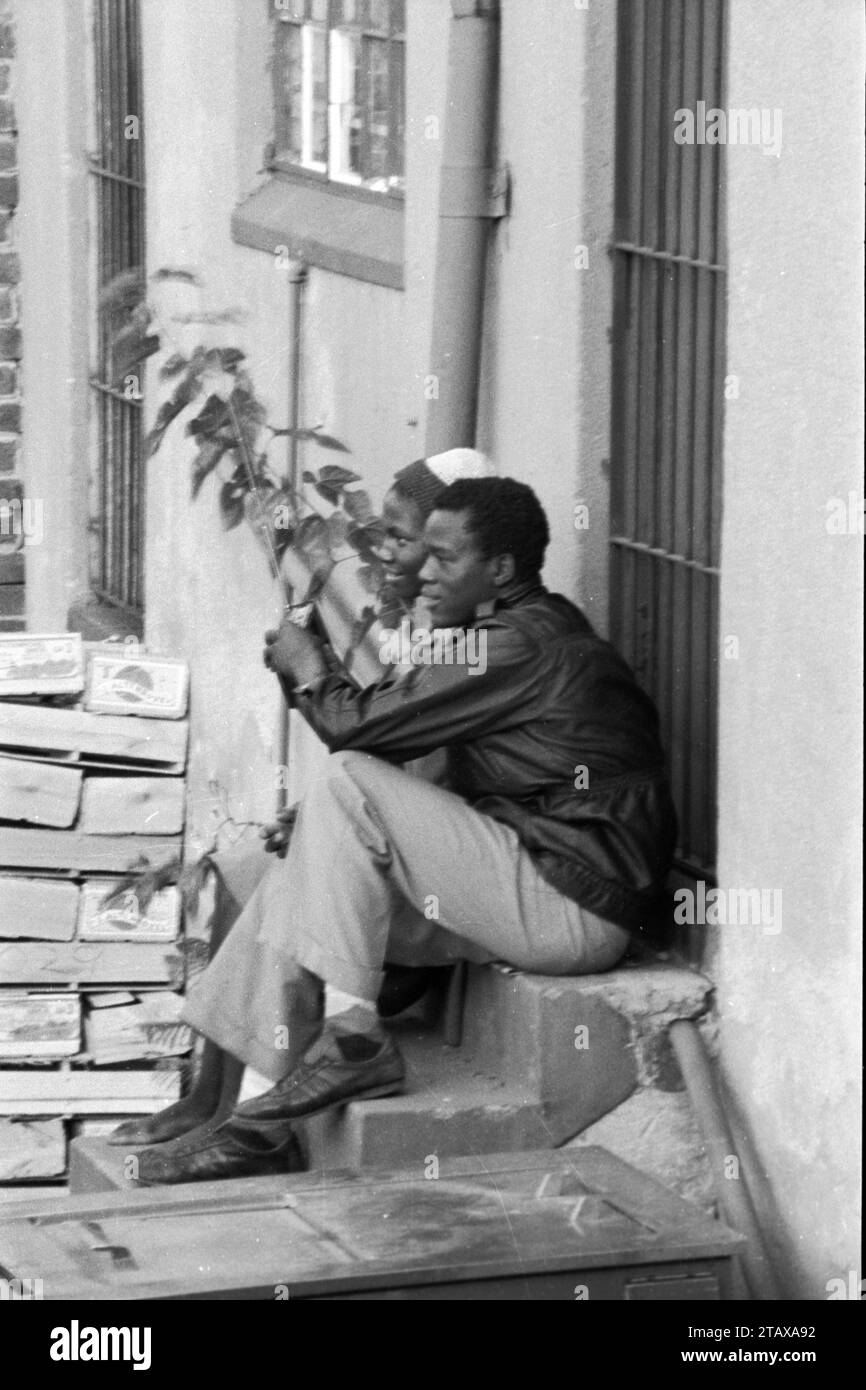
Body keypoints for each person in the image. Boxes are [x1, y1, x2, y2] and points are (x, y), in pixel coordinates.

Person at [131, 476, 677, 1185]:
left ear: (501, 571)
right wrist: (326, 825)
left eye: (445, 558)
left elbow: (354, 728)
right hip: (531, 880)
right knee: (290, 867)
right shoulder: (502, 635)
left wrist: (308, 667)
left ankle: (354, 1035)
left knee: (351, 777)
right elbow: (418, 766)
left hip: (573, 909)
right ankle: (256, 1124)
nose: (422, 569)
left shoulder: (515, 645)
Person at [109, 449, 495, 1153]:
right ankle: (212, 1093)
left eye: (405, 539)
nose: (386, 551)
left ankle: (252, 1118)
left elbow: (438, 791)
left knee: (283, 885)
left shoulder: (479, 646)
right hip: (401, 860)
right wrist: (322, 822)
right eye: (384, 532)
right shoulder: (431, 628)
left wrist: (334, 826)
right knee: (240, 868)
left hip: (438, 897)